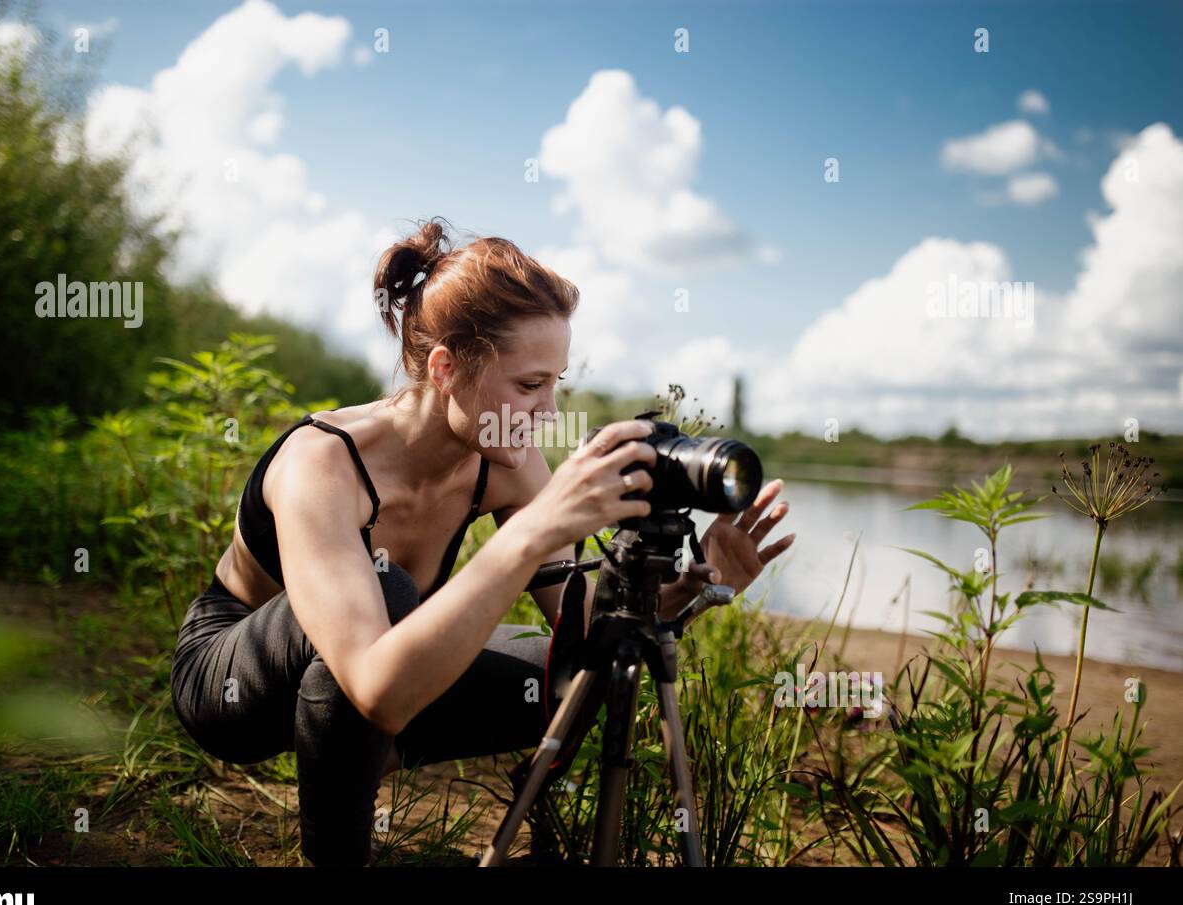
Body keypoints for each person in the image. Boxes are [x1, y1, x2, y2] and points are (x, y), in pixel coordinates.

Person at [170, 217, 795, 866]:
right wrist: (529, 533)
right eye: (530, 385)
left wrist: (684, 591)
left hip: (371, 674)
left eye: (556, 384)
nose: (549, 412)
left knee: (567, 667)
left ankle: (352, 756)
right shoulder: (322, 464)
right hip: (231, 683)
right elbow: (373, 684)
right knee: (386, 590)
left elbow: (584, 628)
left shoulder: (509, 458)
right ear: (445, 368)